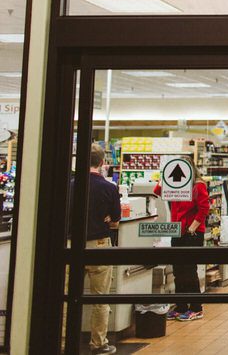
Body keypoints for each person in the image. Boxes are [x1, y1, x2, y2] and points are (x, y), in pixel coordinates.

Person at [155, 156, 210, 321]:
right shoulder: (175, 185)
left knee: (189, 270)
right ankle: (181, 306)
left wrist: (193, 227)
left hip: (193, 233)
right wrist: (164, 176)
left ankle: (196, 308)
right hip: (177, 231)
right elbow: (157, 191)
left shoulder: (198, 185)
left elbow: (204, 208)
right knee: (178, 270)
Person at [83, 144, 121, 355]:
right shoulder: (109, 188)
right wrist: (106, 218)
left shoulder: (69, 184)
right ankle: (98, 343)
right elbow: (115, 221)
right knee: (100, 298)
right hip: (99, 244)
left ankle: (60, 341)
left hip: (70, 245)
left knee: (66, 295)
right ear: (102, 163)